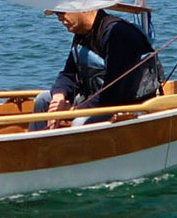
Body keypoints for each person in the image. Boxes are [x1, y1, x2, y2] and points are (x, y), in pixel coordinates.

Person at [29, 9, 163, 131]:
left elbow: (113, 92)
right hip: (95, 99)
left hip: (126, 104)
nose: (59, 18)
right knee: (43, 100)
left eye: (61, 13)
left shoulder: (118, 34)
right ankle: (38, 145)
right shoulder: (81, 33)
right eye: (57, 14)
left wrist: (73, 111)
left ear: (83, 8)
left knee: (80, 122)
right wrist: (59, 96)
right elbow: (69, 74)